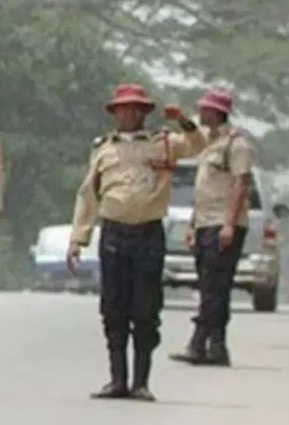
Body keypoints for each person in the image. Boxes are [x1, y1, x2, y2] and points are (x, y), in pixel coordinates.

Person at [65, 83, 206, 401]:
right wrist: (78, 239)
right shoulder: (103, 149)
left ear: (144, 112)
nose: (128, 113)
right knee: (113, 310)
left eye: (135, 108)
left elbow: (199, 144)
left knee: (145, 310)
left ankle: (141, 381)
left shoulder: (164, 143)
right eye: (122, 108)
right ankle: (117, 379)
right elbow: (88, 195)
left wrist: (182, 120)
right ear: (114, 113)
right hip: (113, 235)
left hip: (147, 235)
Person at [169, 89, 253, 367]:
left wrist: (229, 224)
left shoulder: (236, 144)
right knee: (209, 286)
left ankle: (200, 343)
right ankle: (215, 346)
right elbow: (203, 190)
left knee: (215, 285)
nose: (201, 113)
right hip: (206, 221)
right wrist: (193, 225)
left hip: (223, 223)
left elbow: (240, 185)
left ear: (217, 112)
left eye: (205, 109)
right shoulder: (210, 143)